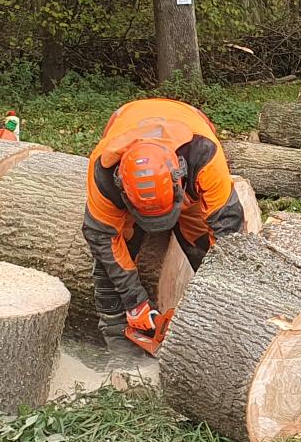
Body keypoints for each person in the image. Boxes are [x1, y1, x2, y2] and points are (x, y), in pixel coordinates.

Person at [83, 97, 245, 352]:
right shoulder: (103, 169)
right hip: (126, 118)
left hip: (187, 119)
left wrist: (222, 294)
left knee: (202, 242)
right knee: (110, 259)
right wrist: (135, 301)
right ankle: (119, 347)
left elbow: (227, 230)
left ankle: (224, 330)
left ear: (180, 176)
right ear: (122, 187)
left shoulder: (205, 154)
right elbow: (101, 237)